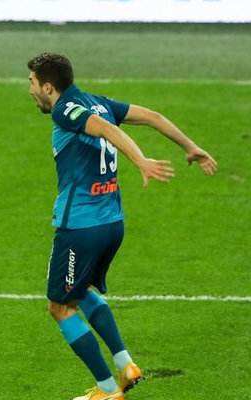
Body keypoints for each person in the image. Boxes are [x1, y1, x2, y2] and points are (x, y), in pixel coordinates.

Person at [27, 52, 217, 400]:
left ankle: (107, 390)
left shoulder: (65, 110)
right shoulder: (99, 102)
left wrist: (140, 160)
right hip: (112, 223)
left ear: (49, 87)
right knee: (81, 291)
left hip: (80, 226)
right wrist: (190, 147)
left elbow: (107, 130)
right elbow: (153, 117)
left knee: (60, 306)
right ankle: (125, 364)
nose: (30, 91)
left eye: (32, 83)